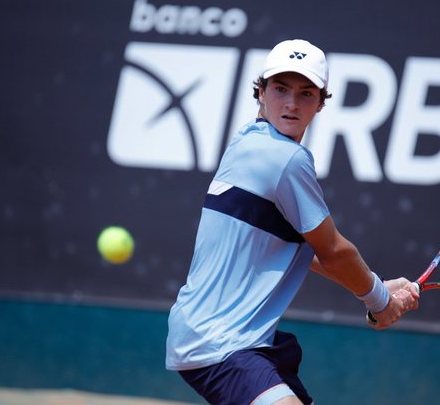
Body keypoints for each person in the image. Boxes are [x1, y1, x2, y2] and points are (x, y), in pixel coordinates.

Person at [166, 39, 419, 405]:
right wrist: (380, 301)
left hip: (239, 338)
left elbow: (306, 251)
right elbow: (334, 250)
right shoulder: (285, 158)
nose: (290, 103)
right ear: (260, 92)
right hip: (219, 341)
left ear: (321, 102)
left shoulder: (246, 142)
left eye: (305, 93)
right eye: (281, 89)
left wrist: (376, 286)